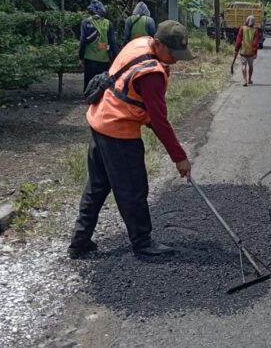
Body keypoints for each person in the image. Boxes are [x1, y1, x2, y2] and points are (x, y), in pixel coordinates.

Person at [68, 20, 195, 258]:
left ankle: (80, 241)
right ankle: (142, 242)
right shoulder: (152, 74)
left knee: (97, 186)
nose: (176, 60)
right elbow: (159, 121)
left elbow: (131, 93)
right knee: (133, 189)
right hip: (118, 131)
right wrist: (180, 158)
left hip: (100, 120)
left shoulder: (138, 44)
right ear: (158, 43)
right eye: (173, 53)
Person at [79, 0, 118, 90]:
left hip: (89, 59)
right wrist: (115, 58)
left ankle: (89, 101)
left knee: (89, 83)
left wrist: (81, 57)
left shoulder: (86, 22)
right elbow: (112, 43)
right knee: (102, 85)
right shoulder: (108, 23)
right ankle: (100, 102)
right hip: (104, 60)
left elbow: (82, 41)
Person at [235, 15, 260, 86]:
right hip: (251, 52)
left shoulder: (242, 28)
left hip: (243, 51)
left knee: (243, 65)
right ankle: (249, 80)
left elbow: (238, 40)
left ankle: (244, 80)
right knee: (251, 66)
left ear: (247, 20)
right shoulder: (255, 30)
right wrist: (255, 52)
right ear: (253, 22)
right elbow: (255, 43)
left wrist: (236, 49)